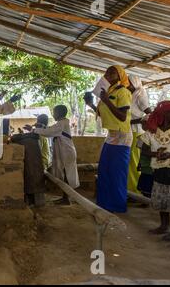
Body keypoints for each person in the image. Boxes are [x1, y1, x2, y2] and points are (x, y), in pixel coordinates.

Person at [85, 65, 132, 213]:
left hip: (122, 136)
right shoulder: (107, 92)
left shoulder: (123, 91)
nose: (109, 73)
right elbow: (103, 113)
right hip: (111, 135)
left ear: (120, 76)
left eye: (113, 72)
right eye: (107, 71)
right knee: (104, 170)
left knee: (117, 172)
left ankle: (117, 205)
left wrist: (106, 100)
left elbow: (122, 116)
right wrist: (91, 104)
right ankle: (105, 203)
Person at [140, 101, 170, 241]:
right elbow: (143, 150)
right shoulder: (150, 133)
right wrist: (156, 154)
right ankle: (164, 226)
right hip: (159, 170)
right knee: (162, 199)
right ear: (166, 115)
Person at [29, 105, 79, 189]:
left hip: (66, 152)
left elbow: (49, 132)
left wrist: (33, 130)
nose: (53, 115)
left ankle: (66, 197)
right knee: (65, 173)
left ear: (59, 113)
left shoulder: (62, 124)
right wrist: (42, 127)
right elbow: (51, 129)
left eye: (54, 113)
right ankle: (65, 196)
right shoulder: (61, 123)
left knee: (66, 174)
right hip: (65, 152)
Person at [127, 75, 152, 194]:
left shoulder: (140, 94)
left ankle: (135, 191)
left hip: (136, 131)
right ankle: (129, 189)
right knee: (129, 161)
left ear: (135, 83)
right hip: (129, 131)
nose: (127, 85)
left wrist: (133, 121)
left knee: (134, 162)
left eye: (129, 83)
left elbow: (150, 114)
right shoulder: (129, 95)